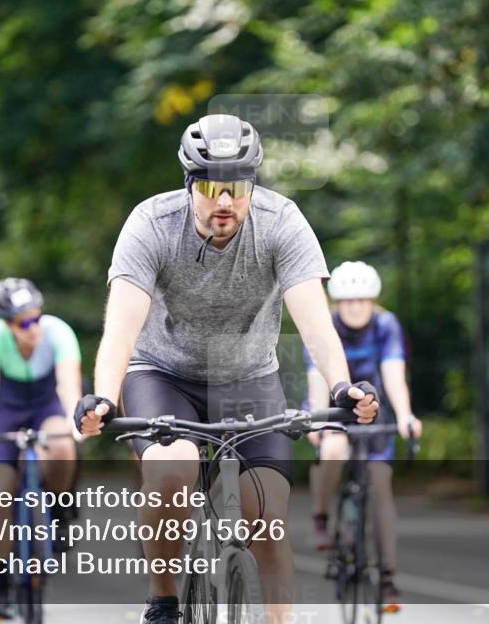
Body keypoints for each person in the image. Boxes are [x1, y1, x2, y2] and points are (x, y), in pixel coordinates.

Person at [74, 114, 379, 624]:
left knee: (268, 519)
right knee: (172, 467)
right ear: (190, 184)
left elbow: (316, 325)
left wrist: (342, 387)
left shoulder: (281, 223)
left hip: (248, 377)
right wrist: (103, 397)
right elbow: (121, 329)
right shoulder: (150, 224)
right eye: (212, 187)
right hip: (163, 374)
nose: (224, 202)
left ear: (251, 185)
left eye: (236, 188)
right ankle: (164, 600)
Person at [304, 261, 423, 607]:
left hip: (373, 409)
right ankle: (321, 515)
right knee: (333, 451)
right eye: (347, 300)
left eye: (362, 300)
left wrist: (405, 416)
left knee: (381, 485)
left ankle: (387, 577)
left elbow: (393, 374)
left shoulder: (386, 325)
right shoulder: (324, 326)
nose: (355, 307)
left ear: (373, 301)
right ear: (336, 303)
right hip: (331, 403)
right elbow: (315, 377)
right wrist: (315, 420)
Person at [0, 278, 83, 621]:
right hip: (8, 408)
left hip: (46, 404)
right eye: (24, 323)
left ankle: (60, 508)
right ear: (7, 323)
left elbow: (68, 385)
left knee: (63, 446)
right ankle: (1, 583)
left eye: (36, 318)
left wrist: (74, 417)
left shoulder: (58, 332)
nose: (33, 327)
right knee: (0, 491)